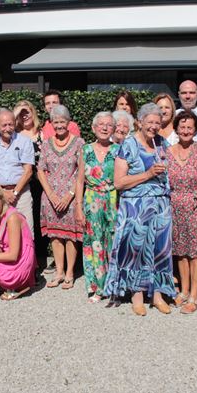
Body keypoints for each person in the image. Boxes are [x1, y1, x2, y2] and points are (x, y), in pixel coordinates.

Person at [103, 103, 175, 316]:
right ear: (140, 122)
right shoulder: (129, 145)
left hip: (160, 205)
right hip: (136, 206)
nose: (154, 126)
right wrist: (148, 174)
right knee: (137, 251)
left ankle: (158, 295)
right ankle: (137, 295)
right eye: (150, 122)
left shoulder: (162, 143)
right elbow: (119, 182)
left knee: (160, 250)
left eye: (157, 122)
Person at [167, 110, 197, 314]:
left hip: (195, 205)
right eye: (182, 127)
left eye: (189, 128)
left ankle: (194, 294)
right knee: (180, 251)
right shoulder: (167, 152)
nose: (185, 131)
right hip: (174, 204)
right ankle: (183, 290)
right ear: (176, 129)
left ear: (196, 130)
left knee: (195, 252)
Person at [37, 105, 84, 289]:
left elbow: (81, 171)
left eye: (62, 122)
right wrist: (50, 194)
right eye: (55, 122)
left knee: (70, 235)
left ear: (69, 122)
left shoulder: (79, 143)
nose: (59, 126)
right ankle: (59, 272)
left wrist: (70, 194)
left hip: (71, 197)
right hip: (50, 198)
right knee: (55, 235)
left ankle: (70, 272)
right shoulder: (47, 143)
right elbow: (40, 170)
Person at [75, 111, 119, 302]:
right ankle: (96, 287)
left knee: (113, 241)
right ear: (93, 128)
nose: (104, 127)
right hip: (91, 199)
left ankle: (113, 285)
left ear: (114, 129)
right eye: (100, 124)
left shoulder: (119, 149)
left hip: (113, 199)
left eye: (109, 125)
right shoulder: (85, 149)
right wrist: (77, 206)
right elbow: (79, 181)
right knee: (94, 242)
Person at [0, 109, 35, 232]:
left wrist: (15, 193)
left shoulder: (25, 141)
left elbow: (28, 171)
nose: (8, 128)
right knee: (2, 232)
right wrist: (3, 193)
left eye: (10, 124)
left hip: (22, 194)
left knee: (26, 231)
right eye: (4, 125)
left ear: (15, 123)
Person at [14, 99, 47, 274]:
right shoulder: (14, 134)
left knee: (41, 219)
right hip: (23, 183)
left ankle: (40, 258)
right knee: (27, 221)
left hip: (42, 182)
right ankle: (26, 257)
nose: (25, 115)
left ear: (33, 112)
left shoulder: (42, 134)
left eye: (27, 111)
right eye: (21, 113)